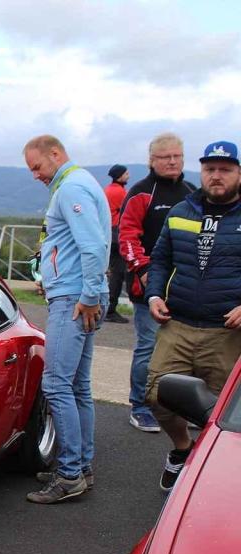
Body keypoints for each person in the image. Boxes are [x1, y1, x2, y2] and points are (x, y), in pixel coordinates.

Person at [144, 140, 241, 491]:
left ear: (238, 174)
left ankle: (212, 471)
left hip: (227, 335)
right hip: (178, 325)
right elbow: (160, 259)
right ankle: (183, 450)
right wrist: (154, 294)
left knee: (222, 413)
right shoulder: (181, 212)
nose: (216, 176)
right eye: (210, 169)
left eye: (225, 169)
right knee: (157, 395)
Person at [22, 135, 110, 504]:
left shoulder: (71, 187)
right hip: (77, 293)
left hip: (75, 301)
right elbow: (78, 248)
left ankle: (70, 473)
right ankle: (80, 467)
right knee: (76, 386)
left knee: (56, 384)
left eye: (37, 167)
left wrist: (87, 295)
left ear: (55, 154)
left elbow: (92, 246)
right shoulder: (80, 183)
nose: (36, 175)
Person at [119, 133, 196, 433]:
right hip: (147, 288)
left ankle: (181, 408)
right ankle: (140, 406)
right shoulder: (140, 193)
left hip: (187, 287)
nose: (173, 161)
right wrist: (144, 271)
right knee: (148, 347)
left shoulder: (192, 192)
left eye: (177, 156)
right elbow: (126, 237)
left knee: (185, 350)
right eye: (165, 157)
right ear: (152, 161)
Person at [104, 164, 130, 324]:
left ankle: (107, 306)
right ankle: (110, 309)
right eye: (126, 173)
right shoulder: (120, 192)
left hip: (108, 233)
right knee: (118, 273)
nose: (128, 175)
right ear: (119, 175)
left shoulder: (107, 189)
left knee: (112, 272)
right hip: (117, 233)